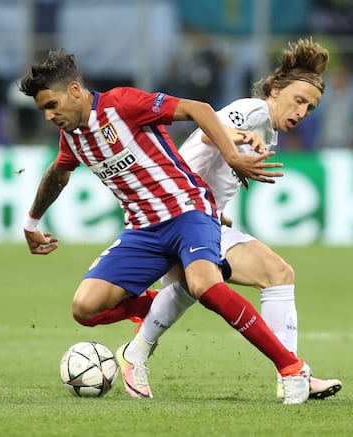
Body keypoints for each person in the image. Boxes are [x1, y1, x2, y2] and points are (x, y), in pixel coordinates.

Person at [20, 49, 313, 405]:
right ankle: (155, 306)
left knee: (205, 285)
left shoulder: (122, 103)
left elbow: (199, 110)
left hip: (189, 210)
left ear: (76, 91)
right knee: (84, 308)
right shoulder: (74, 138)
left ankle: (291, 368)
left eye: (52, 105)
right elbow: (58, 174)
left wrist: (233, 155)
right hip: (143, 230)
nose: (49, 116)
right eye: (43, 110)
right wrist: (32, 222)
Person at [114, 38, 342, 400]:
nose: (302, 112)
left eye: (310, 108)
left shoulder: (267, 131)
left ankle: (136, 354)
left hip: (199, 216)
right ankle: (291, 373)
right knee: (269, 274)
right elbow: (207, 132)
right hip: (175, 215)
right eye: (298, 100)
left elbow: (200, 162)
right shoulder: (253, 112)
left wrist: (217, 210)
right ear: (276, 88)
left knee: (204, 284)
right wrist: (240, 138)